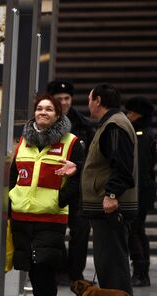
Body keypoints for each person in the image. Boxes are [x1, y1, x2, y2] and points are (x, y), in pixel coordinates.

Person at [9, 94, 84, 296]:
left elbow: (77, 180)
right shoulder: (22, 141)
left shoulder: (71, 142)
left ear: (58, 115)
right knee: (31, 265)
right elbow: (14, 174)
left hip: (51, 216)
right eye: (39, 108)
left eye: (49, 109)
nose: (43, 112)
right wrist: (13, 198)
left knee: (45, 264)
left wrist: (59, 200)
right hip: (22, 215)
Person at [82, 83, 138, 296]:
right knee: (110, 263)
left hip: (111, 208)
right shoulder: (112, 122)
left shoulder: (114, 124)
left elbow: (121, 164)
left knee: (113, 264)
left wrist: (112, 193)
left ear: (99, 100)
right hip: (106, 207)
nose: (88, 103)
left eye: (90, 98)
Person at [47, 80, 95, 284]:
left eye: (67, 98)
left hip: (79, 187)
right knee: (55, 230)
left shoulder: (84, 124)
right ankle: (60, 269)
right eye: (60, 99)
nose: (64, 102)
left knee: (81, 232)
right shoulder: (44, 122)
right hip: (53, 185)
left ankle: (76, 274)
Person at [124, 96, 157, 287]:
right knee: (138, 230)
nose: (127, 115)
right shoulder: (145, 132)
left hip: (140, 191)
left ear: (137, 115)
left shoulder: (141, 135)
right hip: (143, 189)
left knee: (135, 231)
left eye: (129, 112)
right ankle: (141, 270)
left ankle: (140, 272)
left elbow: (141, 167)